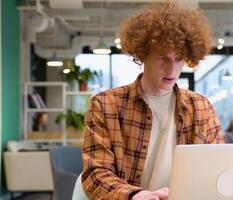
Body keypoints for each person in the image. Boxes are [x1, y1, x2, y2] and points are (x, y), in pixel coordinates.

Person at [81, 2, 224, 200]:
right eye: (163, 58)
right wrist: (135, 196)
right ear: (143, 54)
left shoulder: (201, 108)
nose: (172, 68)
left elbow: (218, 167)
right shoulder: (106, 105)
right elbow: (95, 174)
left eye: (179, 58)